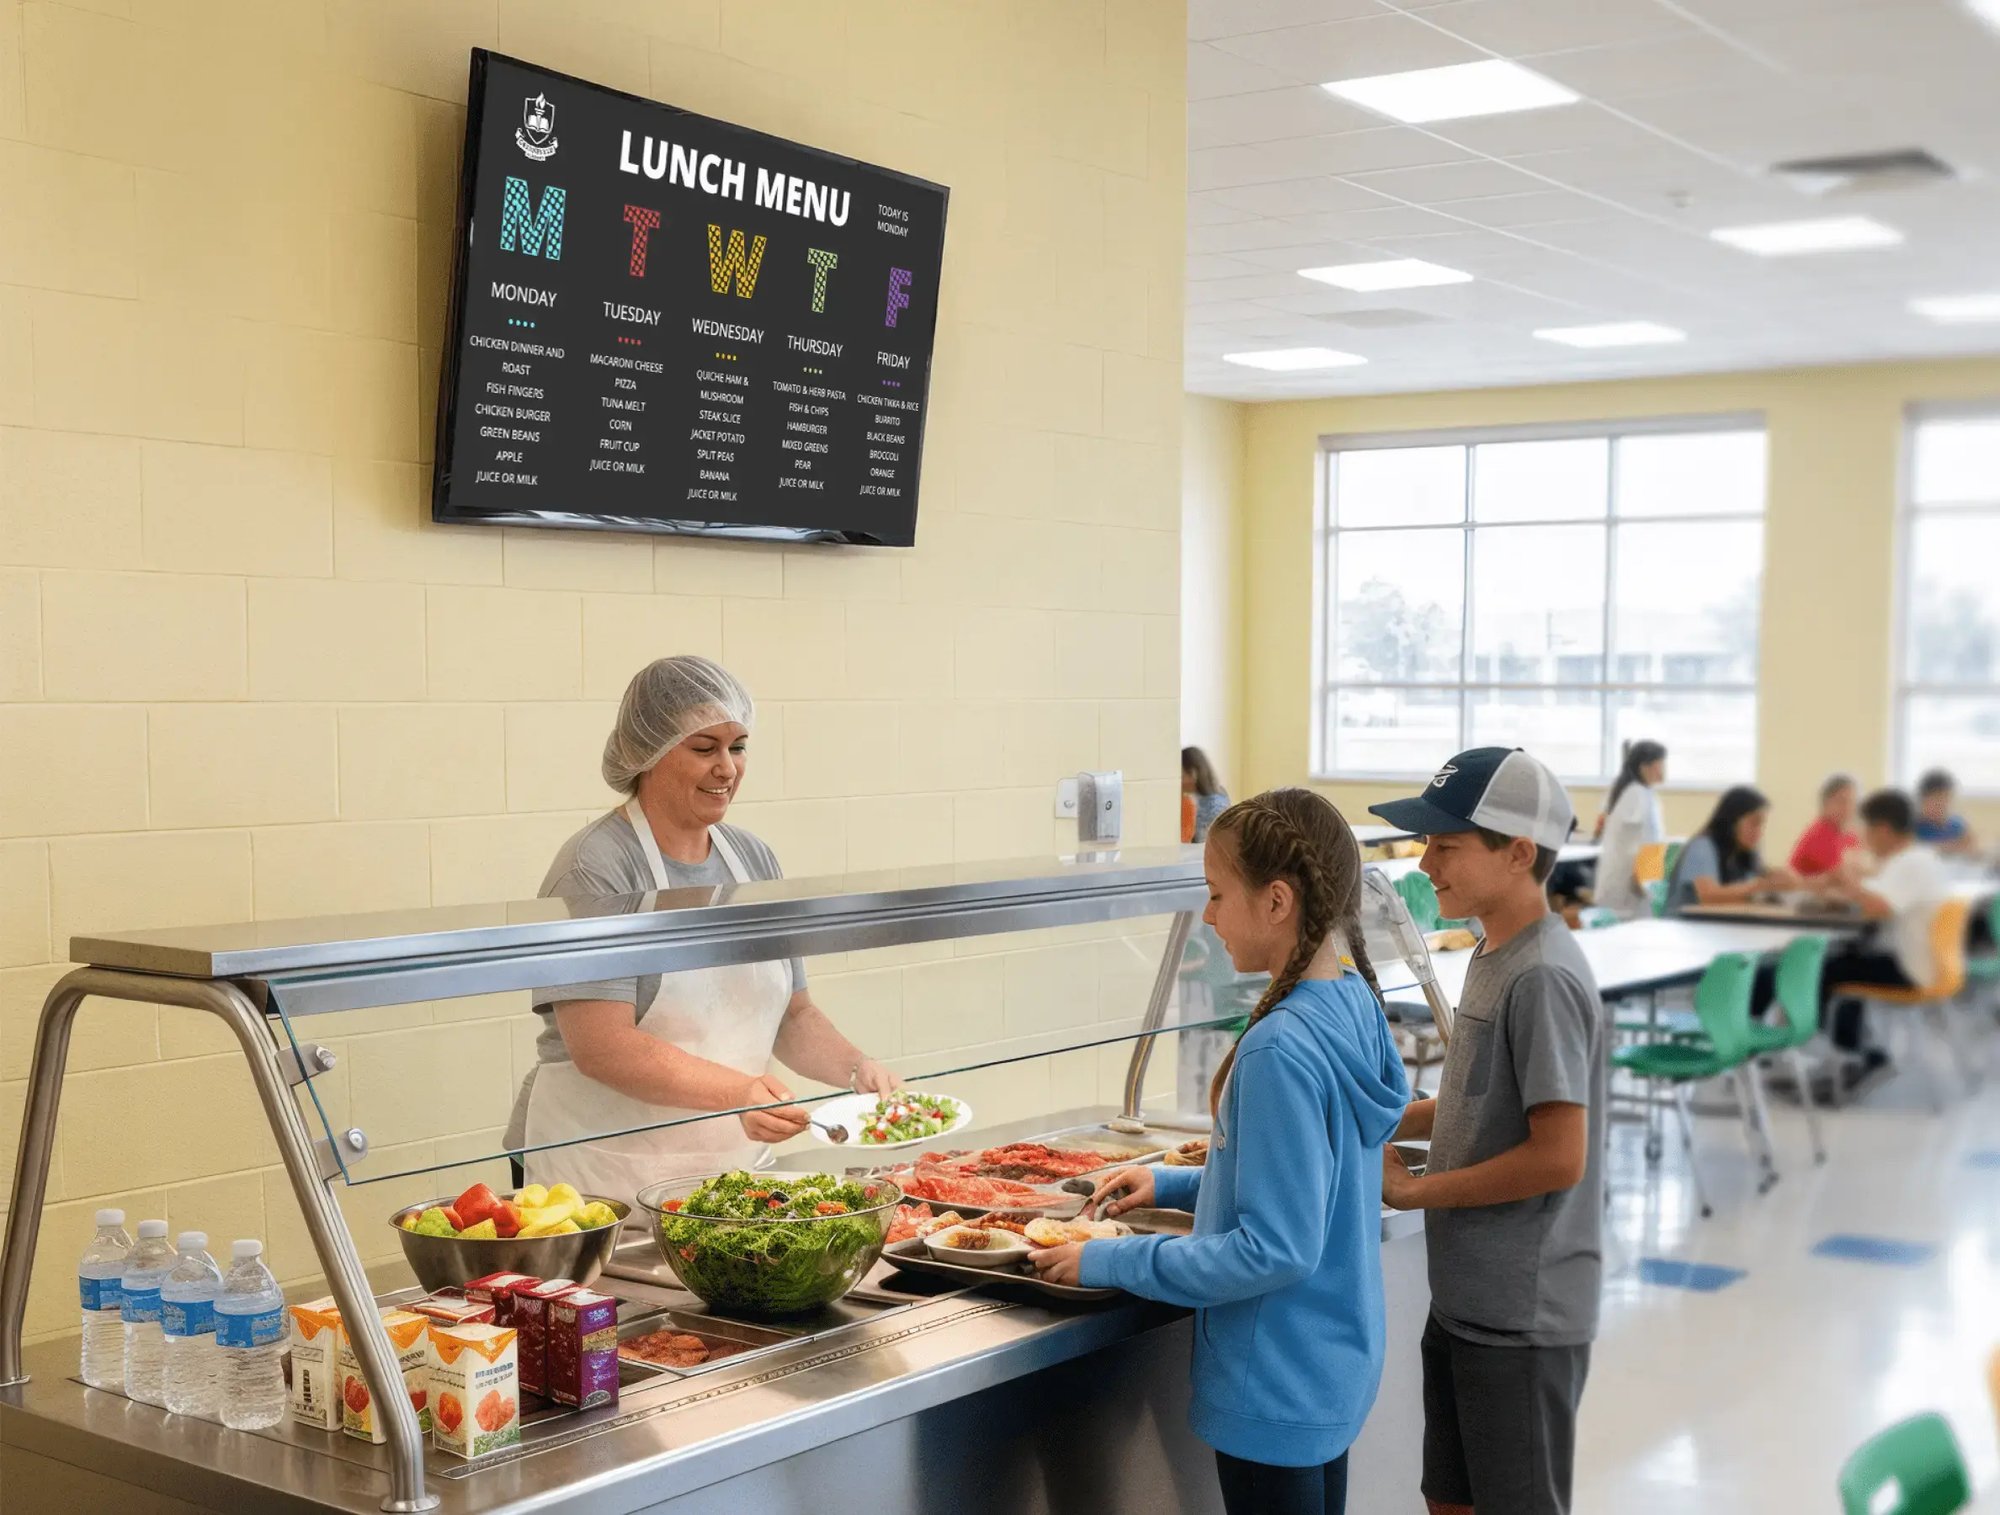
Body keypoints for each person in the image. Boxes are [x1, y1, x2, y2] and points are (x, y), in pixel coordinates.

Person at [1030, 788, 1407, 1515]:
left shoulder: (1277, 1050)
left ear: (1276, 902)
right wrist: (1171, 1183)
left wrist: (1106, 1257)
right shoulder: (1352, 1003)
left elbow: (1274, 1248)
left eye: (1215, 894)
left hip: (1272, 1388)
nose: (1207, 916)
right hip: (1328, 1369)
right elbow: (1308, 1185)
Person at [501, 656, 898, 1205]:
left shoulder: (753, 859)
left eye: (737, 747)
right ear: (650, 752)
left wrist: (858, 1069)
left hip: (728, 1172)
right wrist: (739, 1095)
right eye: (704, 748)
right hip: (599, 1177)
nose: (727, 769)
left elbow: (792, 1013)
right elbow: (602, 1046)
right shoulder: (597, 866)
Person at [1367, 747, 1605, 1515]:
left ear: (1518, 853)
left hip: (1522, 1319)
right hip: (1467, 1299)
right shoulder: (1491, 950)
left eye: (1446, 844)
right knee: (1452, 1499)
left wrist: (1418, 1189)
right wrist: (1388, 1118)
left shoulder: (1543, 975)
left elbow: (1559, 1154)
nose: (1425, 860)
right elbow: (1481, 1098)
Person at [1818, 788, 1953, 1071]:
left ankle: (1844, 1055)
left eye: (1867, 830)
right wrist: (1854, 889)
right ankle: (1857, 1051)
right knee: (1844, 959)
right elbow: (1880, 896)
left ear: (1882, 830)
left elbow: (1881, 906)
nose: (1865, 838)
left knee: (1827, 969)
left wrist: (1850, 883)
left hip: (1909, 968)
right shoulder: (1918, 858)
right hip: (1921, 962)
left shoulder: (1910, 863)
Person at [1664, 785, 1800, 914]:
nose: (1759, 832)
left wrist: (1778, 880)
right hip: (1686, 930)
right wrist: (1760, 886)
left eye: (1761, 825)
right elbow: (1708, 897)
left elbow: (1748, 889)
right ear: (1732, 821)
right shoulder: (1702, 847)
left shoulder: (1741, 853)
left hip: (1719, 929)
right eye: (1754, 823)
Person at [1593, 739, 1666, 918]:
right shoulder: (1638, 796)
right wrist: (1650, 891)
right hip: (1629, 892)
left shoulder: (1633, 792)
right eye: (1661, 763)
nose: (1664, 769)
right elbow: (1644, 846)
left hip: (1626, 889)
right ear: (1645, 767)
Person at [1791, 773, 1863, 880]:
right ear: (1825, 803)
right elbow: (1844, 877)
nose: (1847, 808)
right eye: (1841, 801)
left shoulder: (1849, 835)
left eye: (1851, 802)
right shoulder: (1818, 834)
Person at [1914, 769, 1978, 856]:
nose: (1942, 806)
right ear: (1923, 800)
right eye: (1936, 800)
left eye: (1945, 800)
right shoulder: (1913, 826)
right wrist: (1949, 847)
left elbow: (1971, 848)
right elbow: (1913, 852)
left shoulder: (1956, 824)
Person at [1182, 746, 1232, 843]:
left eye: (1182, 775)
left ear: (1193, 773)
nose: (1179, 781)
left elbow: (1201, 845)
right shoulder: (1220, 791)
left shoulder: (1211, 806)